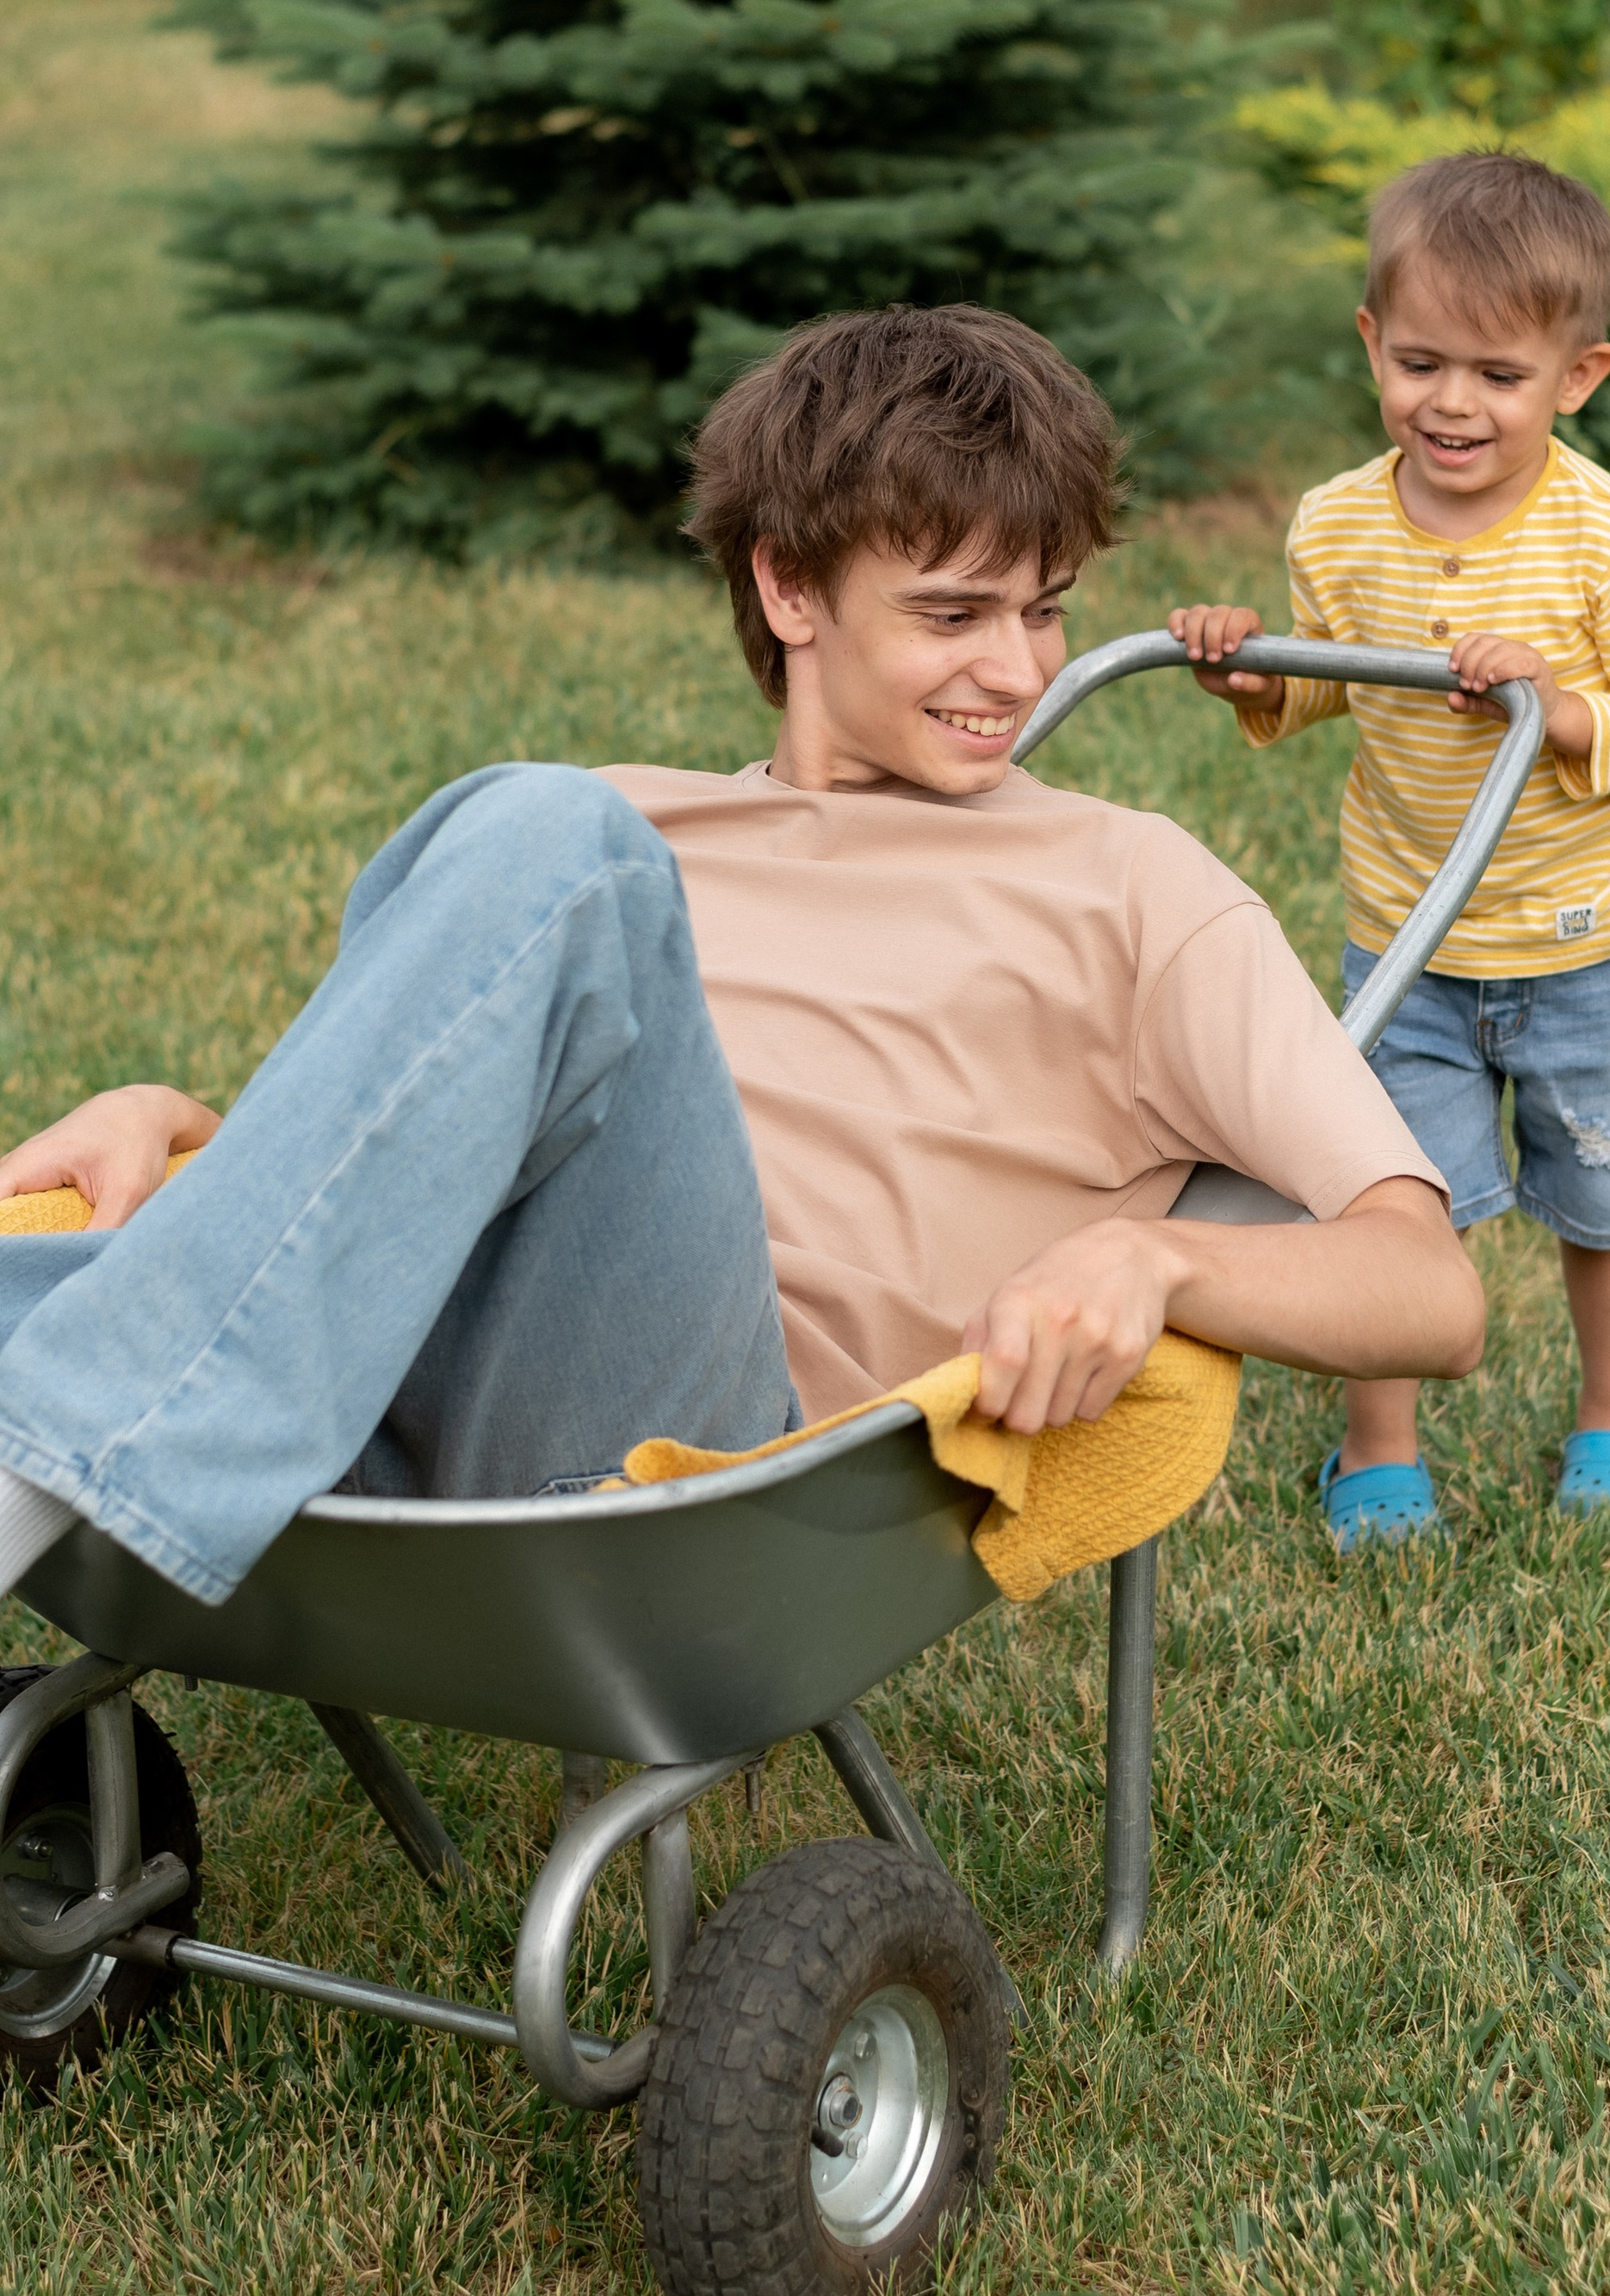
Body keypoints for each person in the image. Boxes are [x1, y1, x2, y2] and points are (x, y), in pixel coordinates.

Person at [0, 304, 1482, 1614]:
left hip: (718, 1475)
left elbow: (1431, 1292)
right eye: (952, 615)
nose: (1020, 669)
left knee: (552, 832)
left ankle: (40, 1474)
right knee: (558, 834)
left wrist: (1157, 1258)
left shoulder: (1134, 886)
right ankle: (68, 1424)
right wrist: (185, 1126)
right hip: (410, 1375)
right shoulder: (637, 836)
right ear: (789, 591)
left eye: (1043, 612)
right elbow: (388, 1167)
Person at [1171, 150, 1610, 1546]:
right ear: (1373, 343)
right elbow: (1324, 681)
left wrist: (1561, 707)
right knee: (1390, 1203)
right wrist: (1251, 673)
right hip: (1406, 945)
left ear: (1578, 377)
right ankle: (1379, 1449)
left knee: (1606, 1196)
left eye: (1499, 375)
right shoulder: (1339, 523)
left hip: (1587, 944)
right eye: (1420, 363)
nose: (1453, 403)